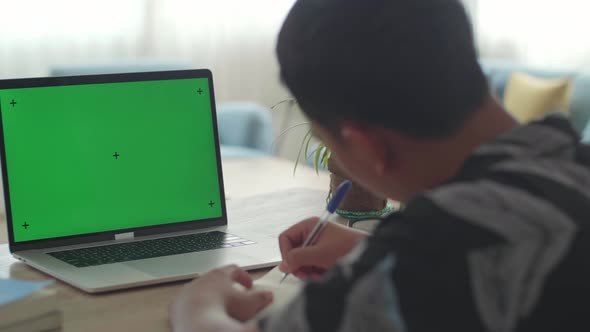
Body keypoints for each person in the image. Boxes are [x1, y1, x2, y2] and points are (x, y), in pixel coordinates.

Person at [170, 0, 590, 331]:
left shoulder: (427, 259)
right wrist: (371, 249)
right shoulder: (572, 163)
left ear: (369, 148)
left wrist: (199, 305)